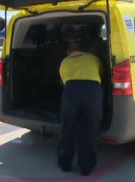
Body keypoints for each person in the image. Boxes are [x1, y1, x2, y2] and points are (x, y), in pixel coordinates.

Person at [57, 41, 104, 176]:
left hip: (71, 91)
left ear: (68, 52)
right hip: (93, 91)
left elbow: (63, 82)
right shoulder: (93, 58)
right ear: (81, 50)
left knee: (68, 128)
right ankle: (86, 168)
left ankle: (64, 164)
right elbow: (102, 74)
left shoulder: (64, 62)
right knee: (90, 129)